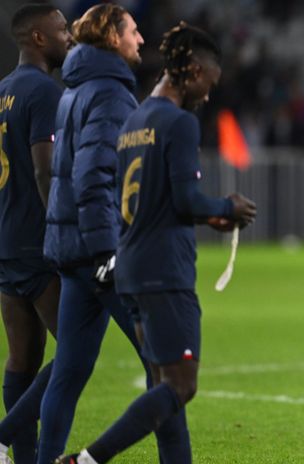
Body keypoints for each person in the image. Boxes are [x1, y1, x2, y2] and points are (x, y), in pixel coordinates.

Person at [56, 22, 256, 464]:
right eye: (209, 83)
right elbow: (186, 199)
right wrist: (228, 205)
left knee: (164, 385)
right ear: (194, 70)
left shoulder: (134, 120)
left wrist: (209, 215)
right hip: (165, 271)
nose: (208, 95)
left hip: (132, 267)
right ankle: (86, 460)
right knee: (181, 385)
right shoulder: (179, 123)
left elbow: (155, 199)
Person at [38, 5, 190, 464]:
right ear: (111, 37)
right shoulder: (110, 93)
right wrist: (108, 253)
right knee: (166, 369)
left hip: (72, 252)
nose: (141, 39)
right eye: (133, 31)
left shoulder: (75, 89)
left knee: (68, 372)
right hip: (102, 254)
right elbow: (93, 178)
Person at [0, 4, 71, 463]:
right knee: (76, 348)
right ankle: (6, 437)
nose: (70, 35)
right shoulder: (44, 91)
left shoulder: (3, 90)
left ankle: (21, 458)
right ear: (38, 37)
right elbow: (45, 171)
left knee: (23, 356)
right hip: (38, 241)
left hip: (6, 240)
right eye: (62, 28)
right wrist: (62, 233)